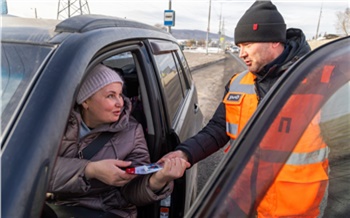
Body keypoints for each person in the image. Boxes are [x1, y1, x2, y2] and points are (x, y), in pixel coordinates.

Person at [162, 1, 329, 217]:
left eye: (248, 44)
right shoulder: (238, 83)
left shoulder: (320, 83)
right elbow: (217, 129)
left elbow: (344, 159)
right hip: (241, 205)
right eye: (239, 46)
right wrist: (184, 153)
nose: (241, 54)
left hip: (292, 211)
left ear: (274, 42)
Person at [47, 64, 189, 218]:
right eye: (110, 96)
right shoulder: (55, 124)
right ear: (85, 101)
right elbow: (31, 172)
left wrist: (158, 180)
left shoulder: (132, 132)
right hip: (46, 205)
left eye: (120, 95)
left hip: (105, 210)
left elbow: (132, 192)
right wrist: (90, 170)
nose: (120, 103)